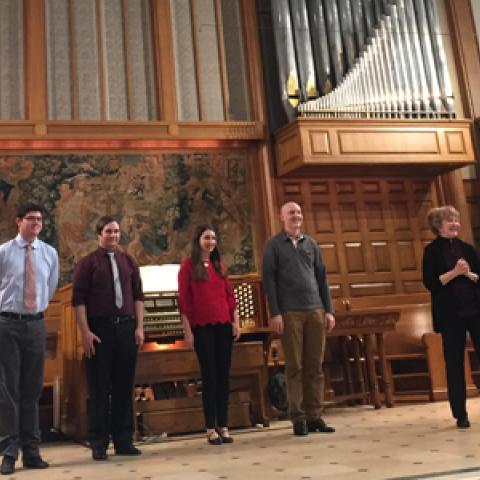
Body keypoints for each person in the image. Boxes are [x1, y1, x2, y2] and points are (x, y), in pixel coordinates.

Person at [72, 216, 144, 460]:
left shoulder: (128, 261)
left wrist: (139, 328)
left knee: (124, 386)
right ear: (98, 234)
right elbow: (78, 300)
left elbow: (138, 297)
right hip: (99, 331)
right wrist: (85, 332)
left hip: (126, 328)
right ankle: (99, 442)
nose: (113, 235)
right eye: (108, 232)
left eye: (116, 231)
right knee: (100, 388)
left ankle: (123, 439)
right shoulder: (87, 263)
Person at [262, 201, 335, 436]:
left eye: (299, 212)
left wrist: (329, 310)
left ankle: (315, 415)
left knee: (315, 366)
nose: (296, 216)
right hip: (290, 312)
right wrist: (275, 312)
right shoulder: (273, 246)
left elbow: (322, 278)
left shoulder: (311, 244)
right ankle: (298, 417)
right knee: (295, 366)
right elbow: (269, 281)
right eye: (291, 213)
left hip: (315, 309)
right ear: (282, 217)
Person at [0, 203, 59, 475]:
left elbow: (50, 287)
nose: (36, 223)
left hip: (35, 324)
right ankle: (9, 452)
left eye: (39, 220)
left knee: (32, 390)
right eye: (31, 219)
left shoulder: (49, 253)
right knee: (8, 391)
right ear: (18, 221)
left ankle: (32, 451)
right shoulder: (3, 252)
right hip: (7, 324)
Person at [178, 225, 240, 445]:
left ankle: (223, 425)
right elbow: (184, 302)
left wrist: (236, 323)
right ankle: (210, 427)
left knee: (223, 376)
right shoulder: (188, 266)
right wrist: (187, 331)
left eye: (213, 238)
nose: (210, 242)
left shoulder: (220, 266)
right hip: (202, 328)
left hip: (223, 325)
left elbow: (230, 298)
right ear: (198, 240)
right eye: (206, 237)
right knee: (210, 376)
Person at [422, 205, 480, 429]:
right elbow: (431, 283)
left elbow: (477, 276)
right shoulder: (432, 252)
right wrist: (455, 273)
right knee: (455, 365)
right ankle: (461, 414)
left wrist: (468, 274)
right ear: (438, 225)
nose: (455, 224)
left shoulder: (468, 248)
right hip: (451, 316)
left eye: (456, 220)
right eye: (450, 221)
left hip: (475, 311)